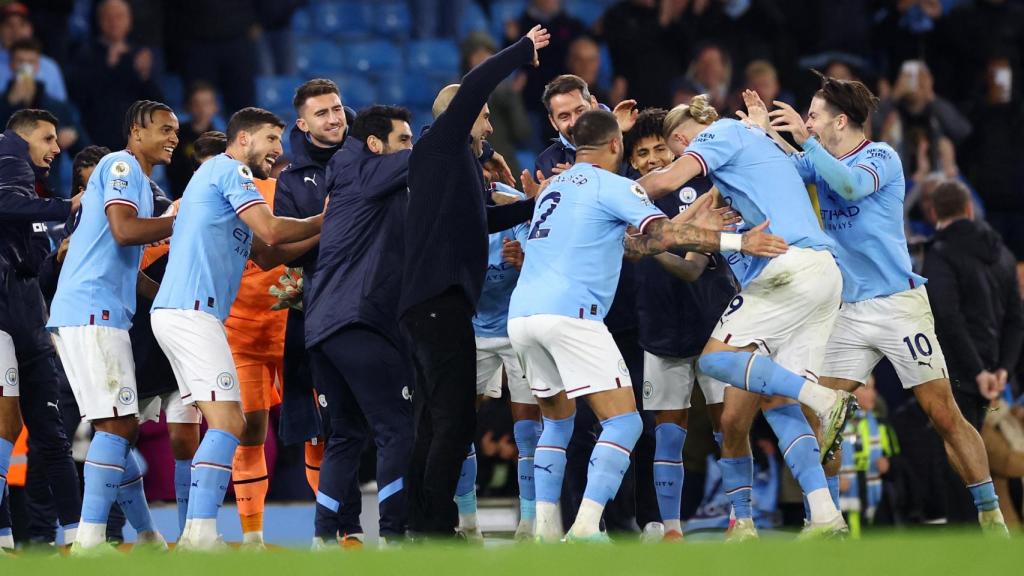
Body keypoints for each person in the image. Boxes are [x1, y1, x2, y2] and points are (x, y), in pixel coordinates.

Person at [749, 72, 1011, 535]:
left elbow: (850, 187)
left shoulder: (881, 157)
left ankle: (990, 514)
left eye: (814, 116)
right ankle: (827, 519)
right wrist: (762, 132)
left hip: (897, 306)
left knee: (942, 413)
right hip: (847, 311)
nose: (807, 123)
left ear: (840, 121)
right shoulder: (817, 158)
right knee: (820, 414)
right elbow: (781, 171)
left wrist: (803, 142)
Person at [509, 108, 785, 543]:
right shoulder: (612, 185)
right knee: (625, 424)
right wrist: (739, 240)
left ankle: (545, 530)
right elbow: (662, 237)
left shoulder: (552, 189)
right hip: (571, 315)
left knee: (557, 424)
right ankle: (585, 528)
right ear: (616, 145)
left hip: (522, 316)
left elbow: (633, 246)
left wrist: (683, 225)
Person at [638, 94, 857, 540]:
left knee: (715, 360)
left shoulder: (719, 135)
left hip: (788, 269)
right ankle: (824, 515)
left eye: (674, 147)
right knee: (778, 405)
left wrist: (607, 189)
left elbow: (667, 182)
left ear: (682, 139)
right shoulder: (745, 172)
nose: (679, 157)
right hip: (822, 275)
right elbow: (675, 237)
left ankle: (823, 399)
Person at [399, 26, 549, 538]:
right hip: (438, 302)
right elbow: (477, 83)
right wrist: (523, 49)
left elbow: (481, 220)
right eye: (484, 116)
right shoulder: (442, 143)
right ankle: (437, 527)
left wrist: (534, 204)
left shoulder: (454, 163)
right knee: (454, 420)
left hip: (433, 303)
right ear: (463, 115)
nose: (489, 125)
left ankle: (422, 524)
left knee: (432, 420)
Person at [149, 107, 322, 550]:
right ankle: (201, 532)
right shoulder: (230, 171)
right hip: (196, 314)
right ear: (243, 139)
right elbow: (272, 230)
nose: (278, 149)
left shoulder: (210, 187)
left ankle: (196, 532)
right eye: (271, 139)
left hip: (190, 314)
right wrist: (331, 217)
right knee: (230, 423)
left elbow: (265, 254)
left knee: (227, 423)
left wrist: (322, 234)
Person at [46, 100, 180, 553]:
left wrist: (168, 299)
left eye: (175, 130)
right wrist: (178, 221)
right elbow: (124, 231)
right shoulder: (120, 166)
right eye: (164, 129)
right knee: (118, 427)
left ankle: (147, 536)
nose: (173, 137)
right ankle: (89, 540)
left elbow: (126, 262)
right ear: (136, 132)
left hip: (92, 312)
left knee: (118, 427)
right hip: (93, 311)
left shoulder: (139, 180)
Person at [624, 108, 739, 541]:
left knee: (729, 426)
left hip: (714, 324)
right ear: (631, 161)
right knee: (668, 433)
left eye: (660, 149)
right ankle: (672, 529)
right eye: (642, 153)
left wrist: (651, 246)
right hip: (659, 326)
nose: (653, 159)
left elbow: (692, 268)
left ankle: (741, 519)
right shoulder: (627, 200)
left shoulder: (706, 189)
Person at [304, 105, 415, 548]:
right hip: (359, 321)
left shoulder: (355, 176)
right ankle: (394, 536)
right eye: (402, 140)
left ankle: (323, 539)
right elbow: (431, 154)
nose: (409, 148)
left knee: (346, 435)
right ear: (375, 144)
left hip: (323, 328)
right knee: (395, 430)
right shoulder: (363, 168)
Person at [0, 109, 82, 552]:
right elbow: (5, 203)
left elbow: (33, 261)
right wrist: (66, 206)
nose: (56, 148)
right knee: (33, 435)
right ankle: (72, 535)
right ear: (24, 136)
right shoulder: (9, 156)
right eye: (48, 139)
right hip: (12, 323)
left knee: (45, 436)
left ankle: (68, 536)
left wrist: (49, 247)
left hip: (27, 320)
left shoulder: (30, 186)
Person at [922, 179, 1023, 525]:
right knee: (978, 458)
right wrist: (1001, 370)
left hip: (953, 377)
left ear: (933, 212)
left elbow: (947, 317)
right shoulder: (1003, 254)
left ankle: (966, 537)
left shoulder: (939, 254)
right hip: (991, 377)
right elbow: (1016, 320)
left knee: (957, 462)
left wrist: (977, 371)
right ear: (968, 208)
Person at [274, 79, 352, 494]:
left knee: (390, 418)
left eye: (337, 109)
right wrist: (331, 226)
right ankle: (334, 519)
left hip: (376, 304)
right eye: (321, 113)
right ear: (302, 124)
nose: (333, 119)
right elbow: (286, 253)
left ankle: (397, 520)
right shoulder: (290, 180)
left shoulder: (371, 157)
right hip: (321, 310)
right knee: (323, 425)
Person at [67, 0, 162, 150]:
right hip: (96, 137)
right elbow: (80, 96)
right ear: (99, 21)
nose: (114, 22)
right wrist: (109, 66)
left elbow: (157, 101)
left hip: (135, 140)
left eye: (119, 17)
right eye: (108, 17)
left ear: (129, 21)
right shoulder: (85, 53)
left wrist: (144, 76)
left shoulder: (141, 55)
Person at [0, 2, 67, 102]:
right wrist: (7, 102)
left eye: (22, 25)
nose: (16, 31)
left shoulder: (49, 67)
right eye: (9, 25)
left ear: (30, 29)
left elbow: (62, 107)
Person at [166, 82, 222, 198]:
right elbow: (172, 173)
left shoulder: (221, 141)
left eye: (206, 103)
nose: (202, 109)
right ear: (188, 107)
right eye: (197, 104)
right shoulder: (176, 136)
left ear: (215, 107)